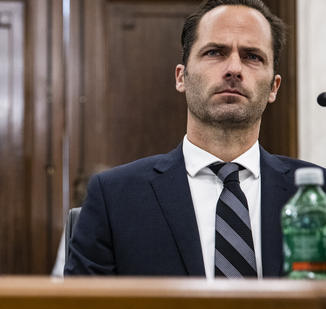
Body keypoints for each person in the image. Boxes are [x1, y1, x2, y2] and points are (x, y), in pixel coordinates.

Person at [65, 0, 325, 278]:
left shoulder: (319, 196)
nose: (234, 68)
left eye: (252, 56)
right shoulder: (114, 197)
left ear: (274, 87)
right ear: (182, 77)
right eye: (215, 52)